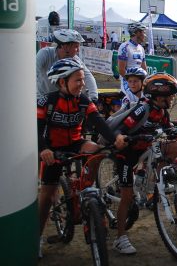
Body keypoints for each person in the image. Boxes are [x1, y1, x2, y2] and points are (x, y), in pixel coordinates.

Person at [37, 58, 126, 258]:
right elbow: (37, 129)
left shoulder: (83, 100)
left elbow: (99, 123)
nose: (82, 83)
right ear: (62, 82)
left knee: (97, 150)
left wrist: (116, 138)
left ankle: (87, 187)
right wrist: (43, 150)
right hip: (52, 148)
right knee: (46, 196)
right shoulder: (47, 101)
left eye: (83, 79)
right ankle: (37, 237)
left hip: (76, 142)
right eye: (78, 80)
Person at [111, 72, 177, 254]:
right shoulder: (142, 109)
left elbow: (167, 130)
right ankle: (120, 238)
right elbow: (122, 128)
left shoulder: (161, 111)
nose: (173, 99)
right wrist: (124, 136)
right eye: (171, 96)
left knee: (174, 146)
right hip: (127, 153)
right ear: (159, 96)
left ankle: (154, 181)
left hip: (144, 150)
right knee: (127, 197)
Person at [36, 29, 99, 101]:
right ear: (66, 47)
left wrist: (94, 97)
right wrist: (37, 98)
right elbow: (33, 75)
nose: (78, 50)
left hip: (63, 99)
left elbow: (88, 76)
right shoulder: (45, 54)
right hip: (44, 98)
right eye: (76, 46)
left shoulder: (75, 59)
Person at [117, 23, 147, 94]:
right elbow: (121, 70)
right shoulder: (124, 47)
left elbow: (144, 68)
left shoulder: (141, 48)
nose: (145, 35)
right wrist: (131, 82)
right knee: (133, 100)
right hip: (128, 82)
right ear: (137, 33)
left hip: (139, 81)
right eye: (143, 32)